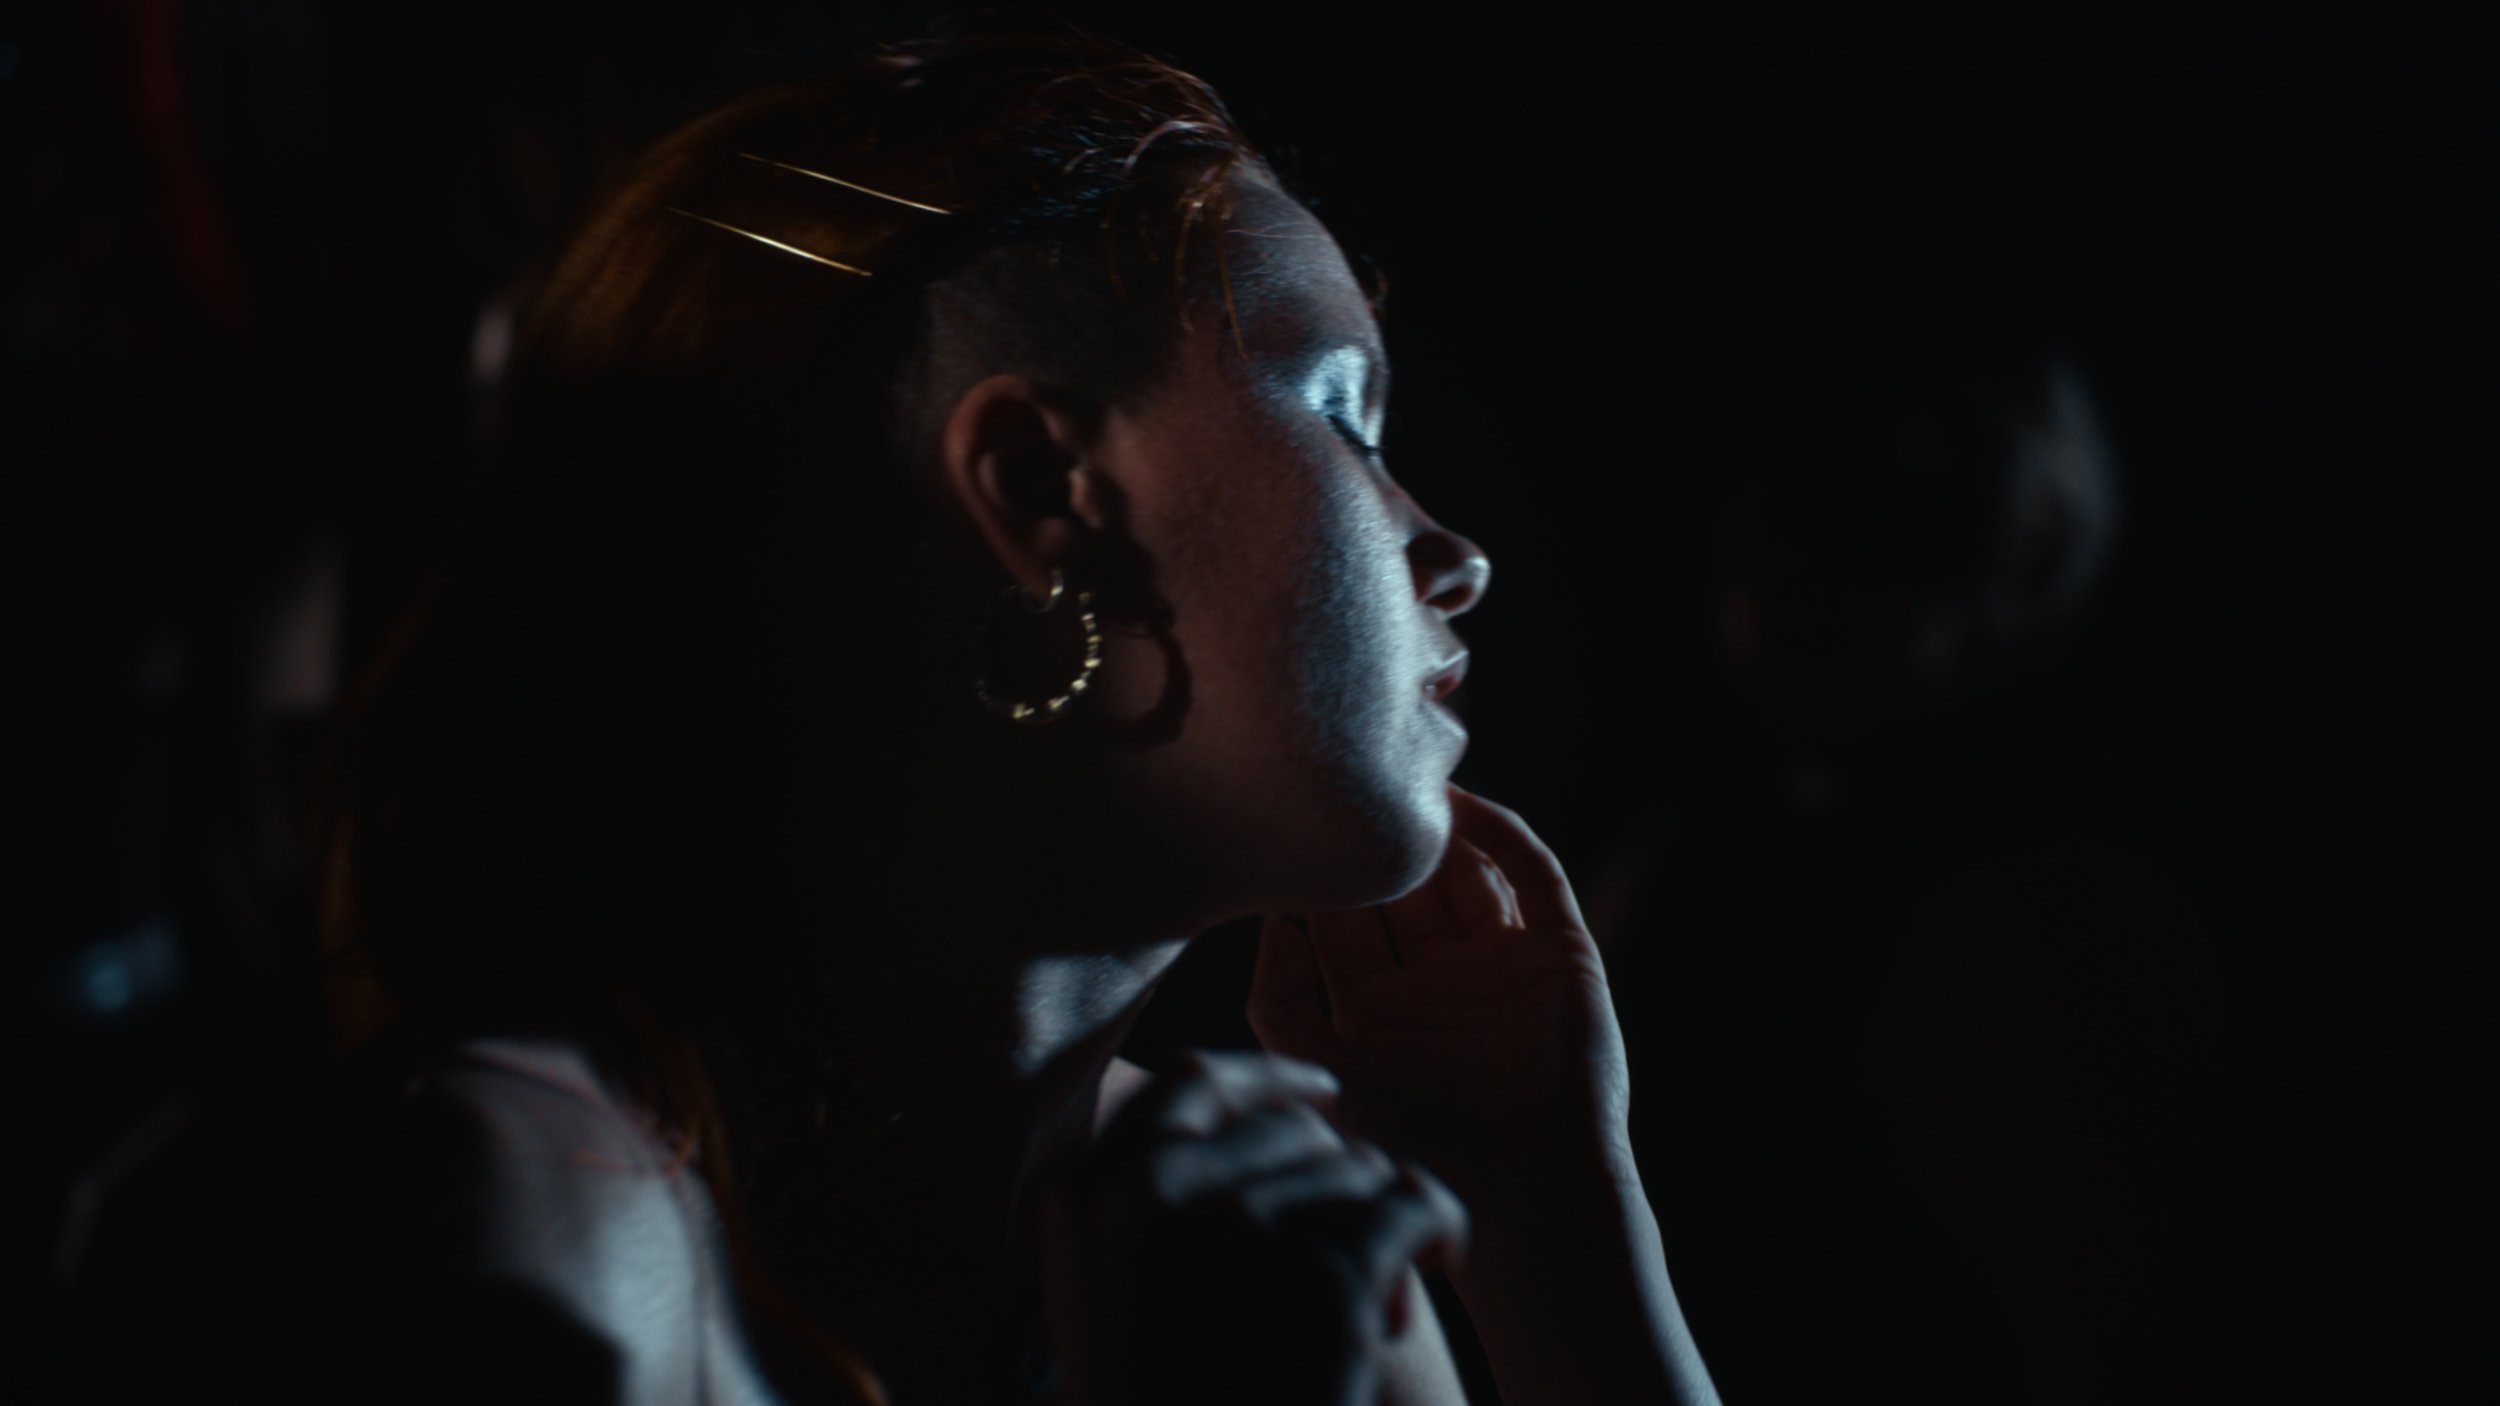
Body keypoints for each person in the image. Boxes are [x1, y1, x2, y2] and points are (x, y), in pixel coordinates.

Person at [132, 31, 1720, 1406]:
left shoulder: (1258, 1237)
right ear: (1044, 491)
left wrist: (1553, 1241)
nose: (1456, 547)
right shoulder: (511, 1209)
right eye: (1340, 415)